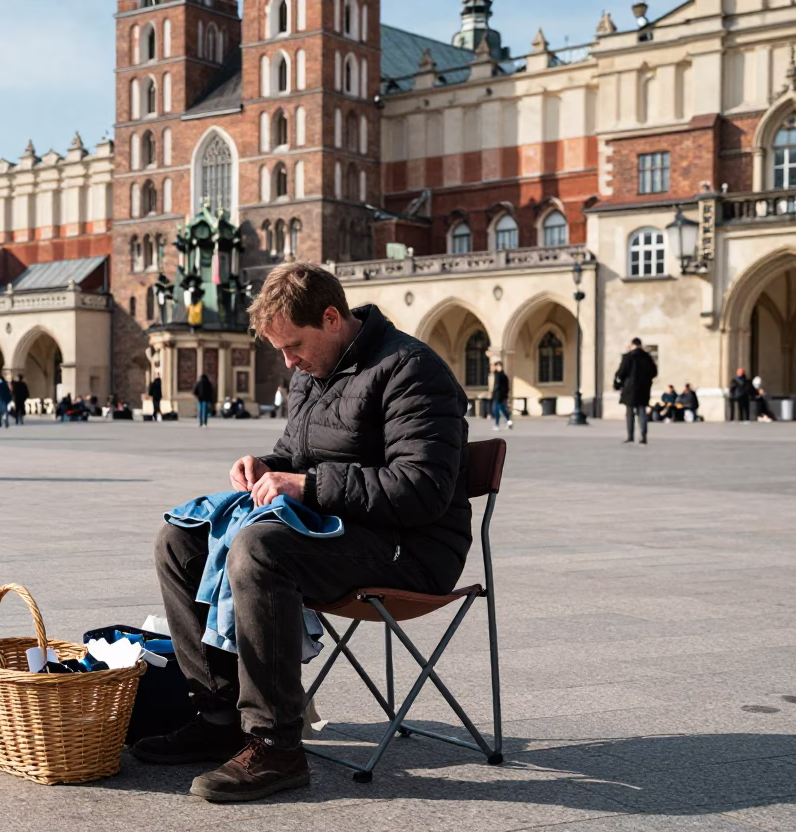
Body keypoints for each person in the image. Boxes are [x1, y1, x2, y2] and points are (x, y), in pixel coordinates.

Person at [132, 262, 471, 802]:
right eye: (280, 351)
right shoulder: (312, 373)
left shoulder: (411, 369)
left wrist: (307, 486)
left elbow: (420, 489)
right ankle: (219, 716)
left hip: (411, 548)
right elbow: (296, 456)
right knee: (180, 539)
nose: (288, 362)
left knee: (260, 550)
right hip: (334, 531)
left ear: (332, 318)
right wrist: (267, 467)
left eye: (293, 346)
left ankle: (277, 745)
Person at [614, 338, 657, 444]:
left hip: (629, 388)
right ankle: (643, 436)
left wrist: (618, 384)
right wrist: (647, 380)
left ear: (632, 345)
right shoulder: (647, 357)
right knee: (642, 412)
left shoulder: (628, 357)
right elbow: (654, 372)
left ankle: (630, 436)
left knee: (629, 413)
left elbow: (620, 372)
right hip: (643, 388)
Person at [490, 360, 512, 431]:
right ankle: (509, 421)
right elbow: (507, 387)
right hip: (502, 395)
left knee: (496, 410)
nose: (492, 368)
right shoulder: (504, 375)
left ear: (497, 366)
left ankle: (497, 425)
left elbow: (497, 386)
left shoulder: (498, 375)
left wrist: (493, 394)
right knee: (502, 409)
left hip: (497, 395)